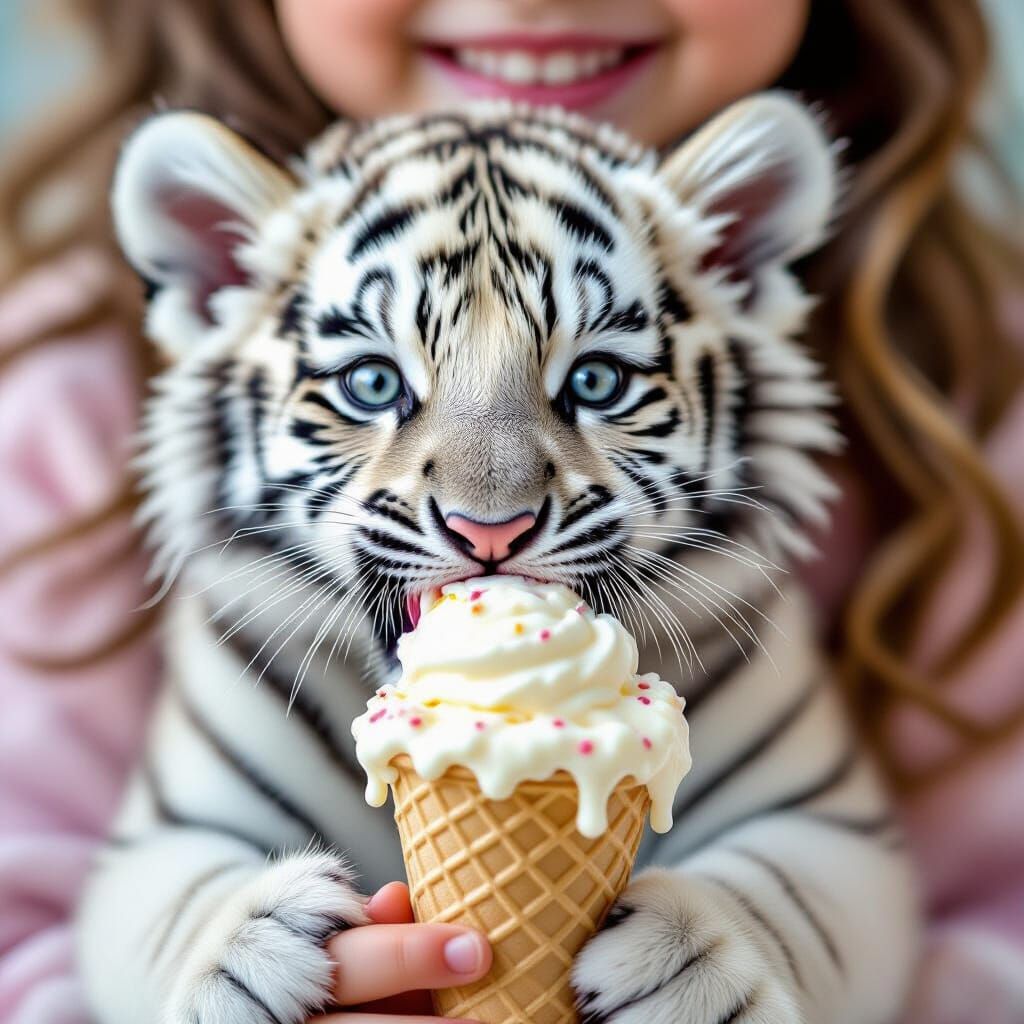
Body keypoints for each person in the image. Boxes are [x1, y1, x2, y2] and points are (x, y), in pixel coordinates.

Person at [1, 2, 1022, 1022]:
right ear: (214, 278)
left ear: (742, 271)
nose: (487, 503)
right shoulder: (53, 405)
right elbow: (130, 882)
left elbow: (852, 872)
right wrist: (207, 950)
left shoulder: (986, 408)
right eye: (367, 383)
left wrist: (753, 940)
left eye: (601, 378)